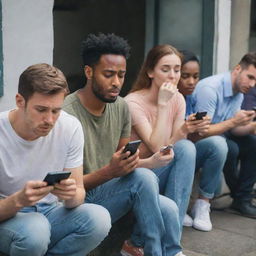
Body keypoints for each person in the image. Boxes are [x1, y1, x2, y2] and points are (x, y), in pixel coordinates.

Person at [63, 33, 186, 256]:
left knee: (169, 208)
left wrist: (148, 162)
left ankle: (168, 252)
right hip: (81, 198)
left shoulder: (120, 107)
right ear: (89, 72)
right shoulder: (67, 114)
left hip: (112, 188)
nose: (116, 82)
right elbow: (71, 188)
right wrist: (111, 171)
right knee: (145, 179)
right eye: (108, 75)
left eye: (121, 75)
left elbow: (125, 164)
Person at [0, 63, 111, 256]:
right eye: (41, 110)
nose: (50, 120)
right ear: (20, 101)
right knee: (36, 230)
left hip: (51, 211)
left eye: (56, 111)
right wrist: (18, 200)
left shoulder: (70, 127)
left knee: (99, 218)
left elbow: (79, 193)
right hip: (9, 217)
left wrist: (70, 195)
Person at [125, 44, 199, 233]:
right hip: (139, 172)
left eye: (177, 70)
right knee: (184, 149)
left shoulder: (179, 99)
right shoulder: (133, 102)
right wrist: (163, 104)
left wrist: (183, 130)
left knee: (187, 148)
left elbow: (170, 147)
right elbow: (157, 146)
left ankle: (172, 237)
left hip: (161, 166)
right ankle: (169, 240)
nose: (173, 76)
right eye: (165, 70)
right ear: (150, 71)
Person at [192, 52, 256, 218]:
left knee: (252, 143)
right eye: (250, 77)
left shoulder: (239, 92)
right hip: (197, 141)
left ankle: (242, 199)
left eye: (255, 80)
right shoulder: (210, 88)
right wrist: (235, 122)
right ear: (237, 69)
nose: (252, 84)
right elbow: (202, 131)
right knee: (231, 148)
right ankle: (237, 195)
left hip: (221, 136)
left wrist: (251, 126)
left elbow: (234, 129)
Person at [177, 50, 228, 231]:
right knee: (185, 147)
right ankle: (179, 206)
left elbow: (196, 137)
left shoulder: (192, 97)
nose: (191, 82)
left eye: (196, 76)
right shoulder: (167, 98)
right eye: (185, 76)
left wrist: (200, 128)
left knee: (219, 144)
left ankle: (203, 204)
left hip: (189, 150)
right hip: (167, 155)